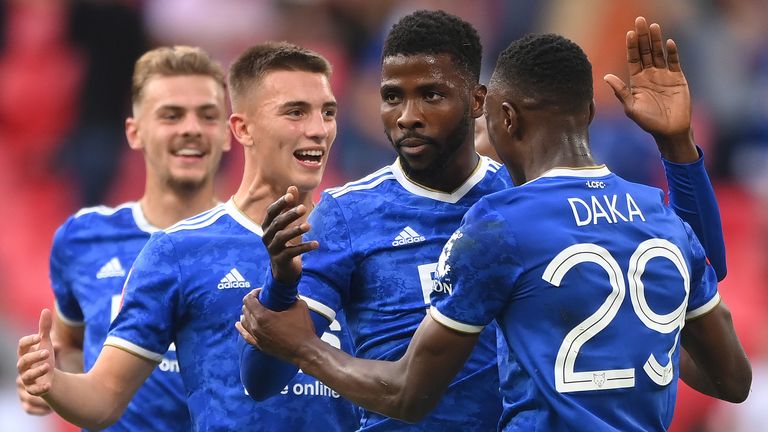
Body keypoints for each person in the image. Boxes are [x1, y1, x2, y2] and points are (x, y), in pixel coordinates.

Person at [238, 12, 733, 431]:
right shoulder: (347, 215)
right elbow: (261, 382)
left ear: (479, 102)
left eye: (431, 95)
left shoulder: (527, 201)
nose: (408, 115)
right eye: (393, 97)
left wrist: (679, 150)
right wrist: (281, 285)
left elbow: (699, 268)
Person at [17, 42, 358, 431]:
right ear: (242, 128)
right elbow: (100, 392)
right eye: (296, 112)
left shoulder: (363, 237)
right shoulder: (175, 250)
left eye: (328, 112)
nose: (318, 129)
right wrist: (51, 380)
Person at [15, 45, 230, 431]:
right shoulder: (83, 238)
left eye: (208, 115)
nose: (191, 128)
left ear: (230, 134)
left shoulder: (257, 242)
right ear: (135, 132)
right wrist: (49, 378)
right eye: (171, 115)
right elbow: (72, 348)